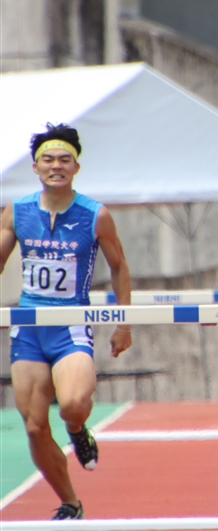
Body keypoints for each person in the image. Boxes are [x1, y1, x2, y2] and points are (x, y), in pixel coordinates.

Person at [0, 123, 132, 519]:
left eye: (64, 159)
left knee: (73, 404)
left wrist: (123, 323)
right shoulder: (17, 210)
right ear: (36, 167)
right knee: (36, 426)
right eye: (48, 159)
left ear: (75, 167)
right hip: (29, 326)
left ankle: (78, 430)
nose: (56, 166)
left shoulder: (95, 214)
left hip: (71, 325)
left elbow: (120, 267)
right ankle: (70, 503)